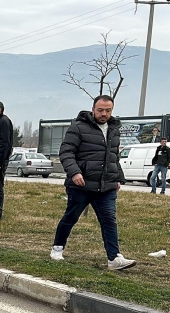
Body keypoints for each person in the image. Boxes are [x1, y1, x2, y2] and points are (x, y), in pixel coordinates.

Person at [51, 95, 136, 270]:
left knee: (109, 220)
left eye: (108, 110)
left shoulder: (114, 129)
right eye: (100, 110)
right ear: (93, 109)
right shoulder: (78, 127)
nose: (104, 113)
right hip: (81, 185)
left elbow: (114, 156)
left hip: (106, 186)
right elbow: (66, 152)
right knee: (71, 217)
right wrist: (74, 172)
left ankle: (114, 258)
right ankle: (57, 249)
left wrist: (118, 177)